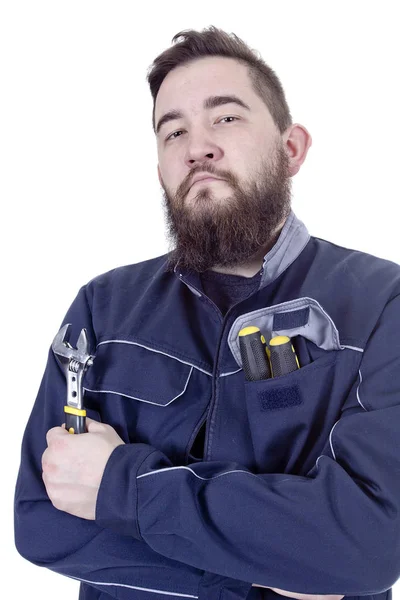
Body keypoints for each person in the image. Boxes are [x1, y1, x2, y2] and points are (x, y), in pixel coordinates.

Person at [14, 25, 400, 600]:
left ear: (290, 149)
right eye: (174, 131)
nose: (197, 146)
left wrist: (122, 487)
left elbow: (370, 545)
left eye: (225, 118)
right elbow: (41, 524)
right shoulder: (102, 309)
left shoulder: (380, 302)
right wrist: (275, 566)